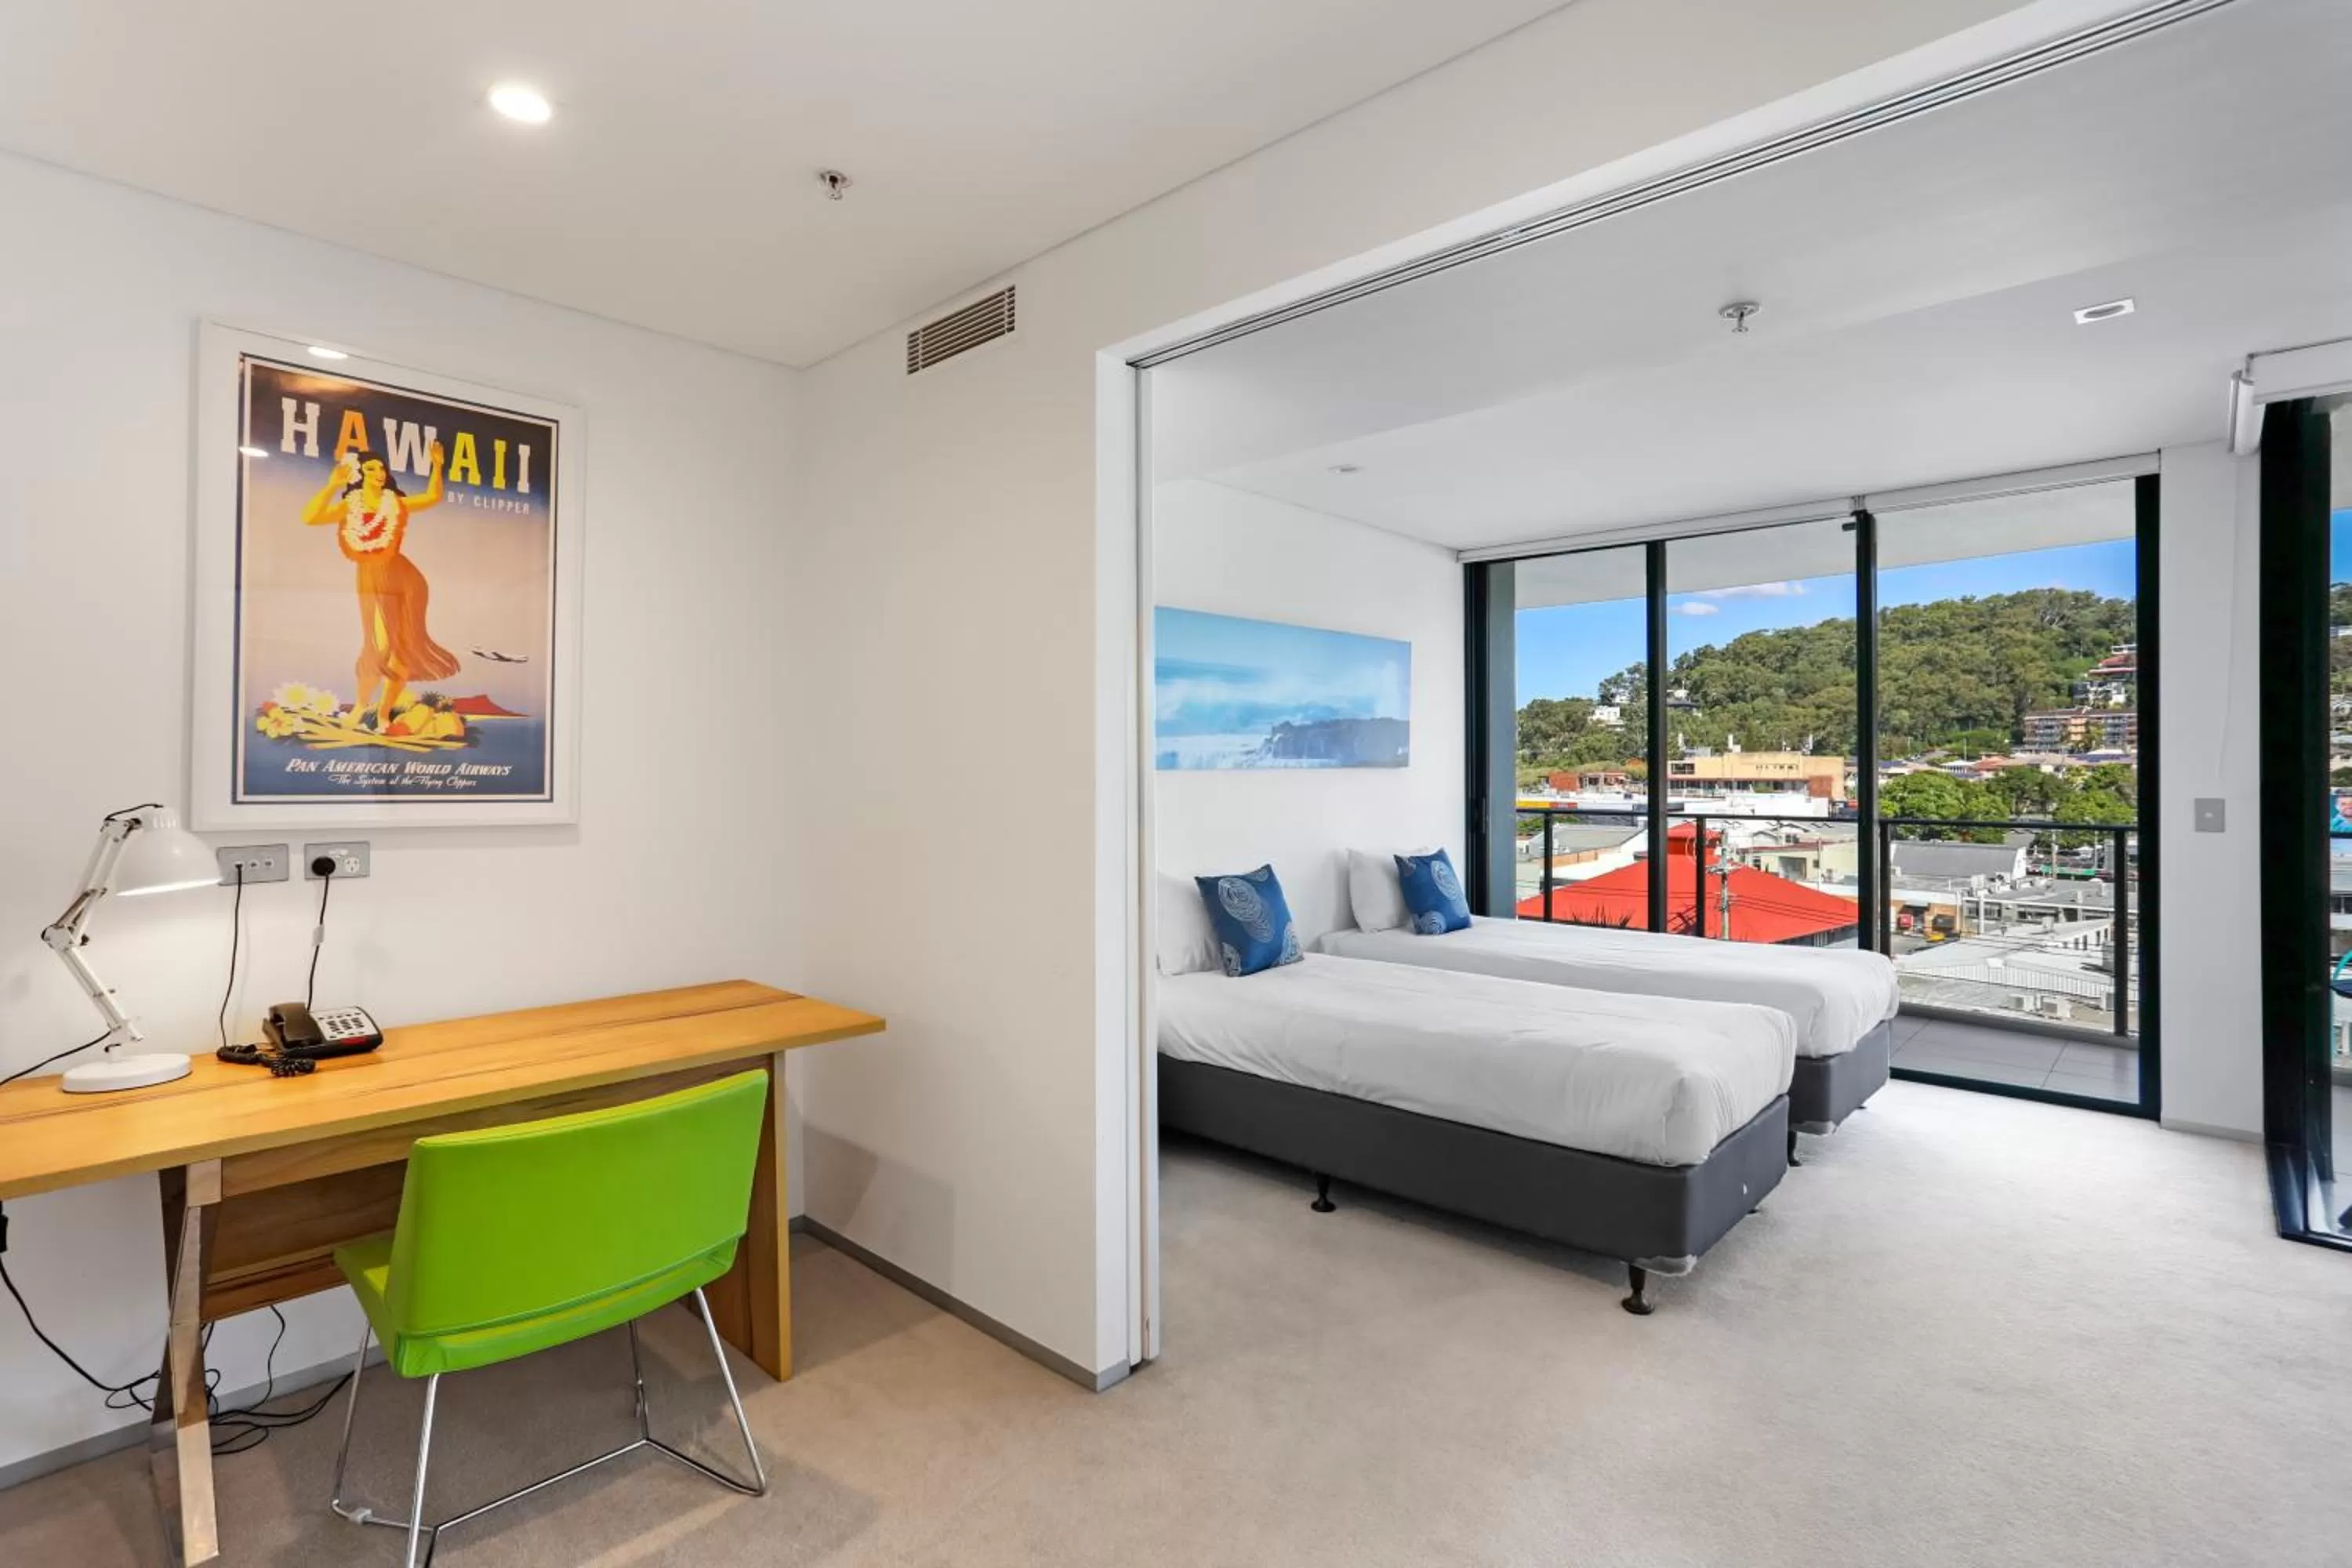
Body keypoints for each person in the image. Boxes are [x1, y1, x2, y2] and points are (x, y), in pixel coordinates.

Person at [300, 444, 460, 730]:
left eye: (382, 468)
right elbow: (310, 517)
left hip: (406, 578)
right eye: (371, 468)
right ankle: (361, 706)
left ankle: (384, 713)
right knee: (379, 646)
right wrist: (331, 485)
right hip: (372, 579)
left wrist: (437, 465)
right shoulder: (349, 507)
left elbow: (433, 497)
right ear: (358, 474)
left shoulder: (395, 504)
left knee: (401, 648)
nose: (379, 472)